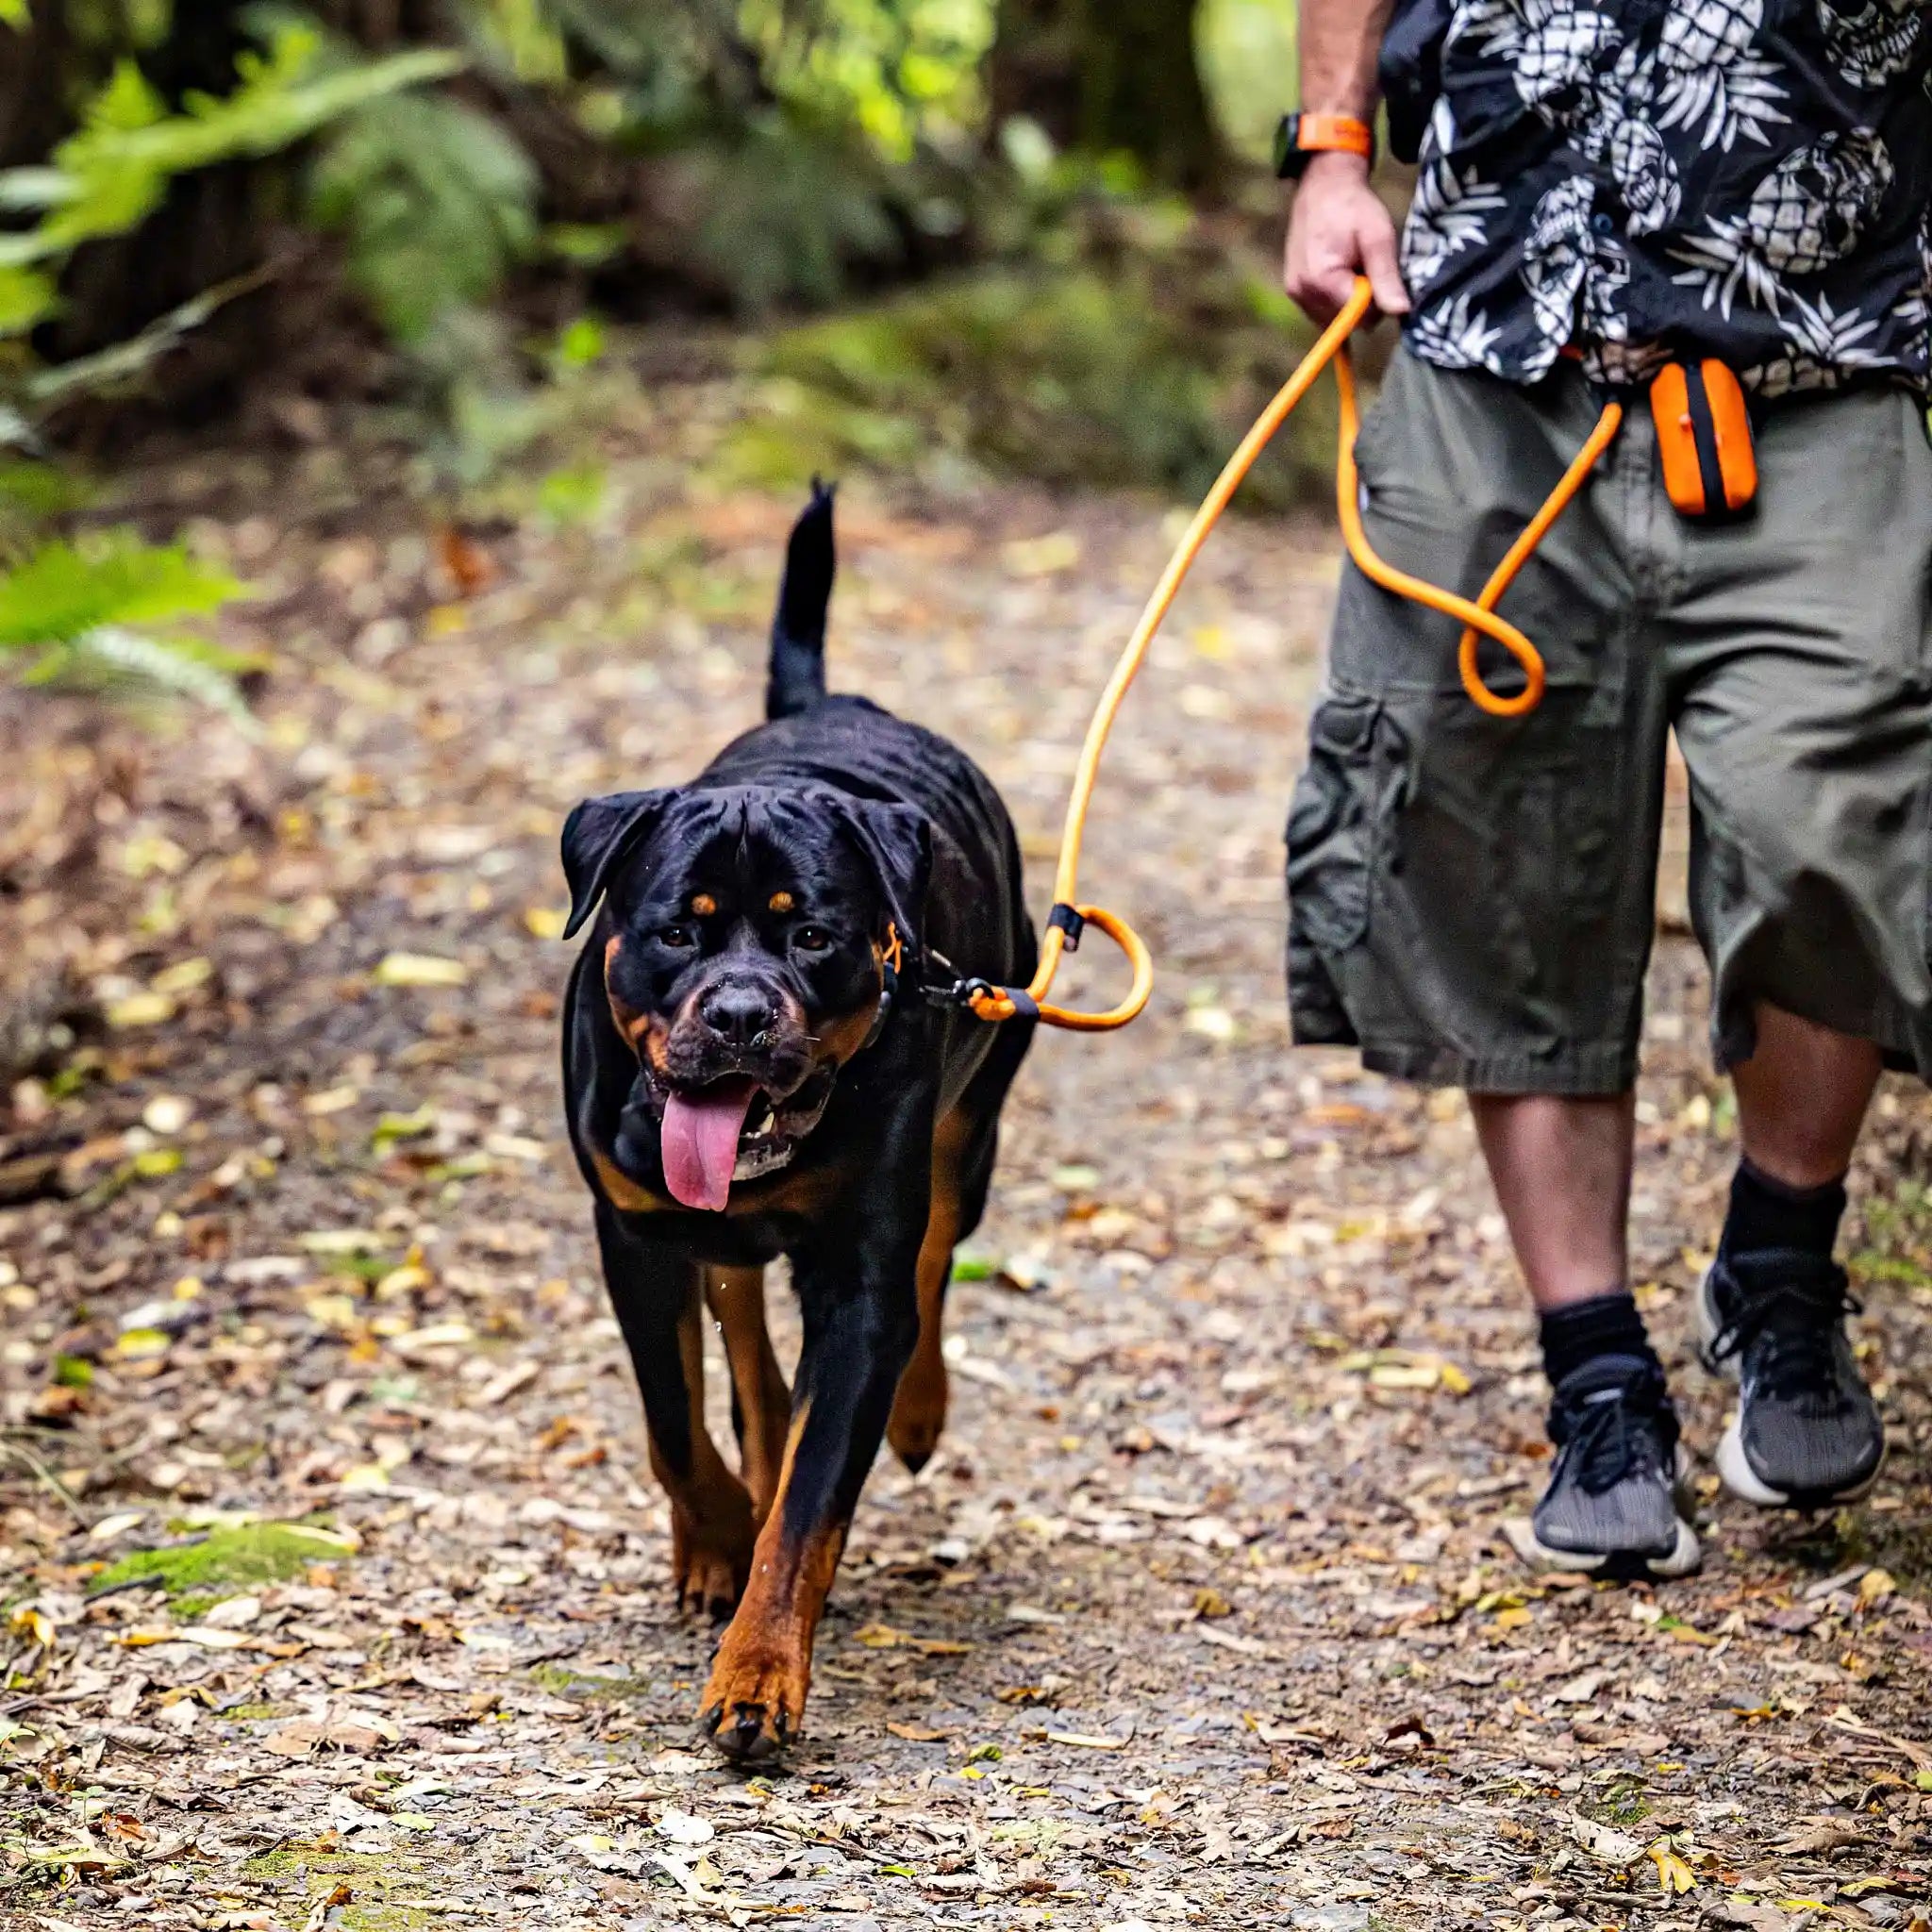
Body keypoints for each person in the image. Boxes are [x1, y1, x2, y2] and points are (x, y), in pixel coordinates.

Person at [1277, 0, 1926, 1574]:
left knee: (1836, 821)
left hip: (1822, 351)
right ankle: (1597, 1378)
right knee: (1497, 855)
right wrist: (1335, 150)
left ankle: (1779, 1269)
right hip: (1492, 334)